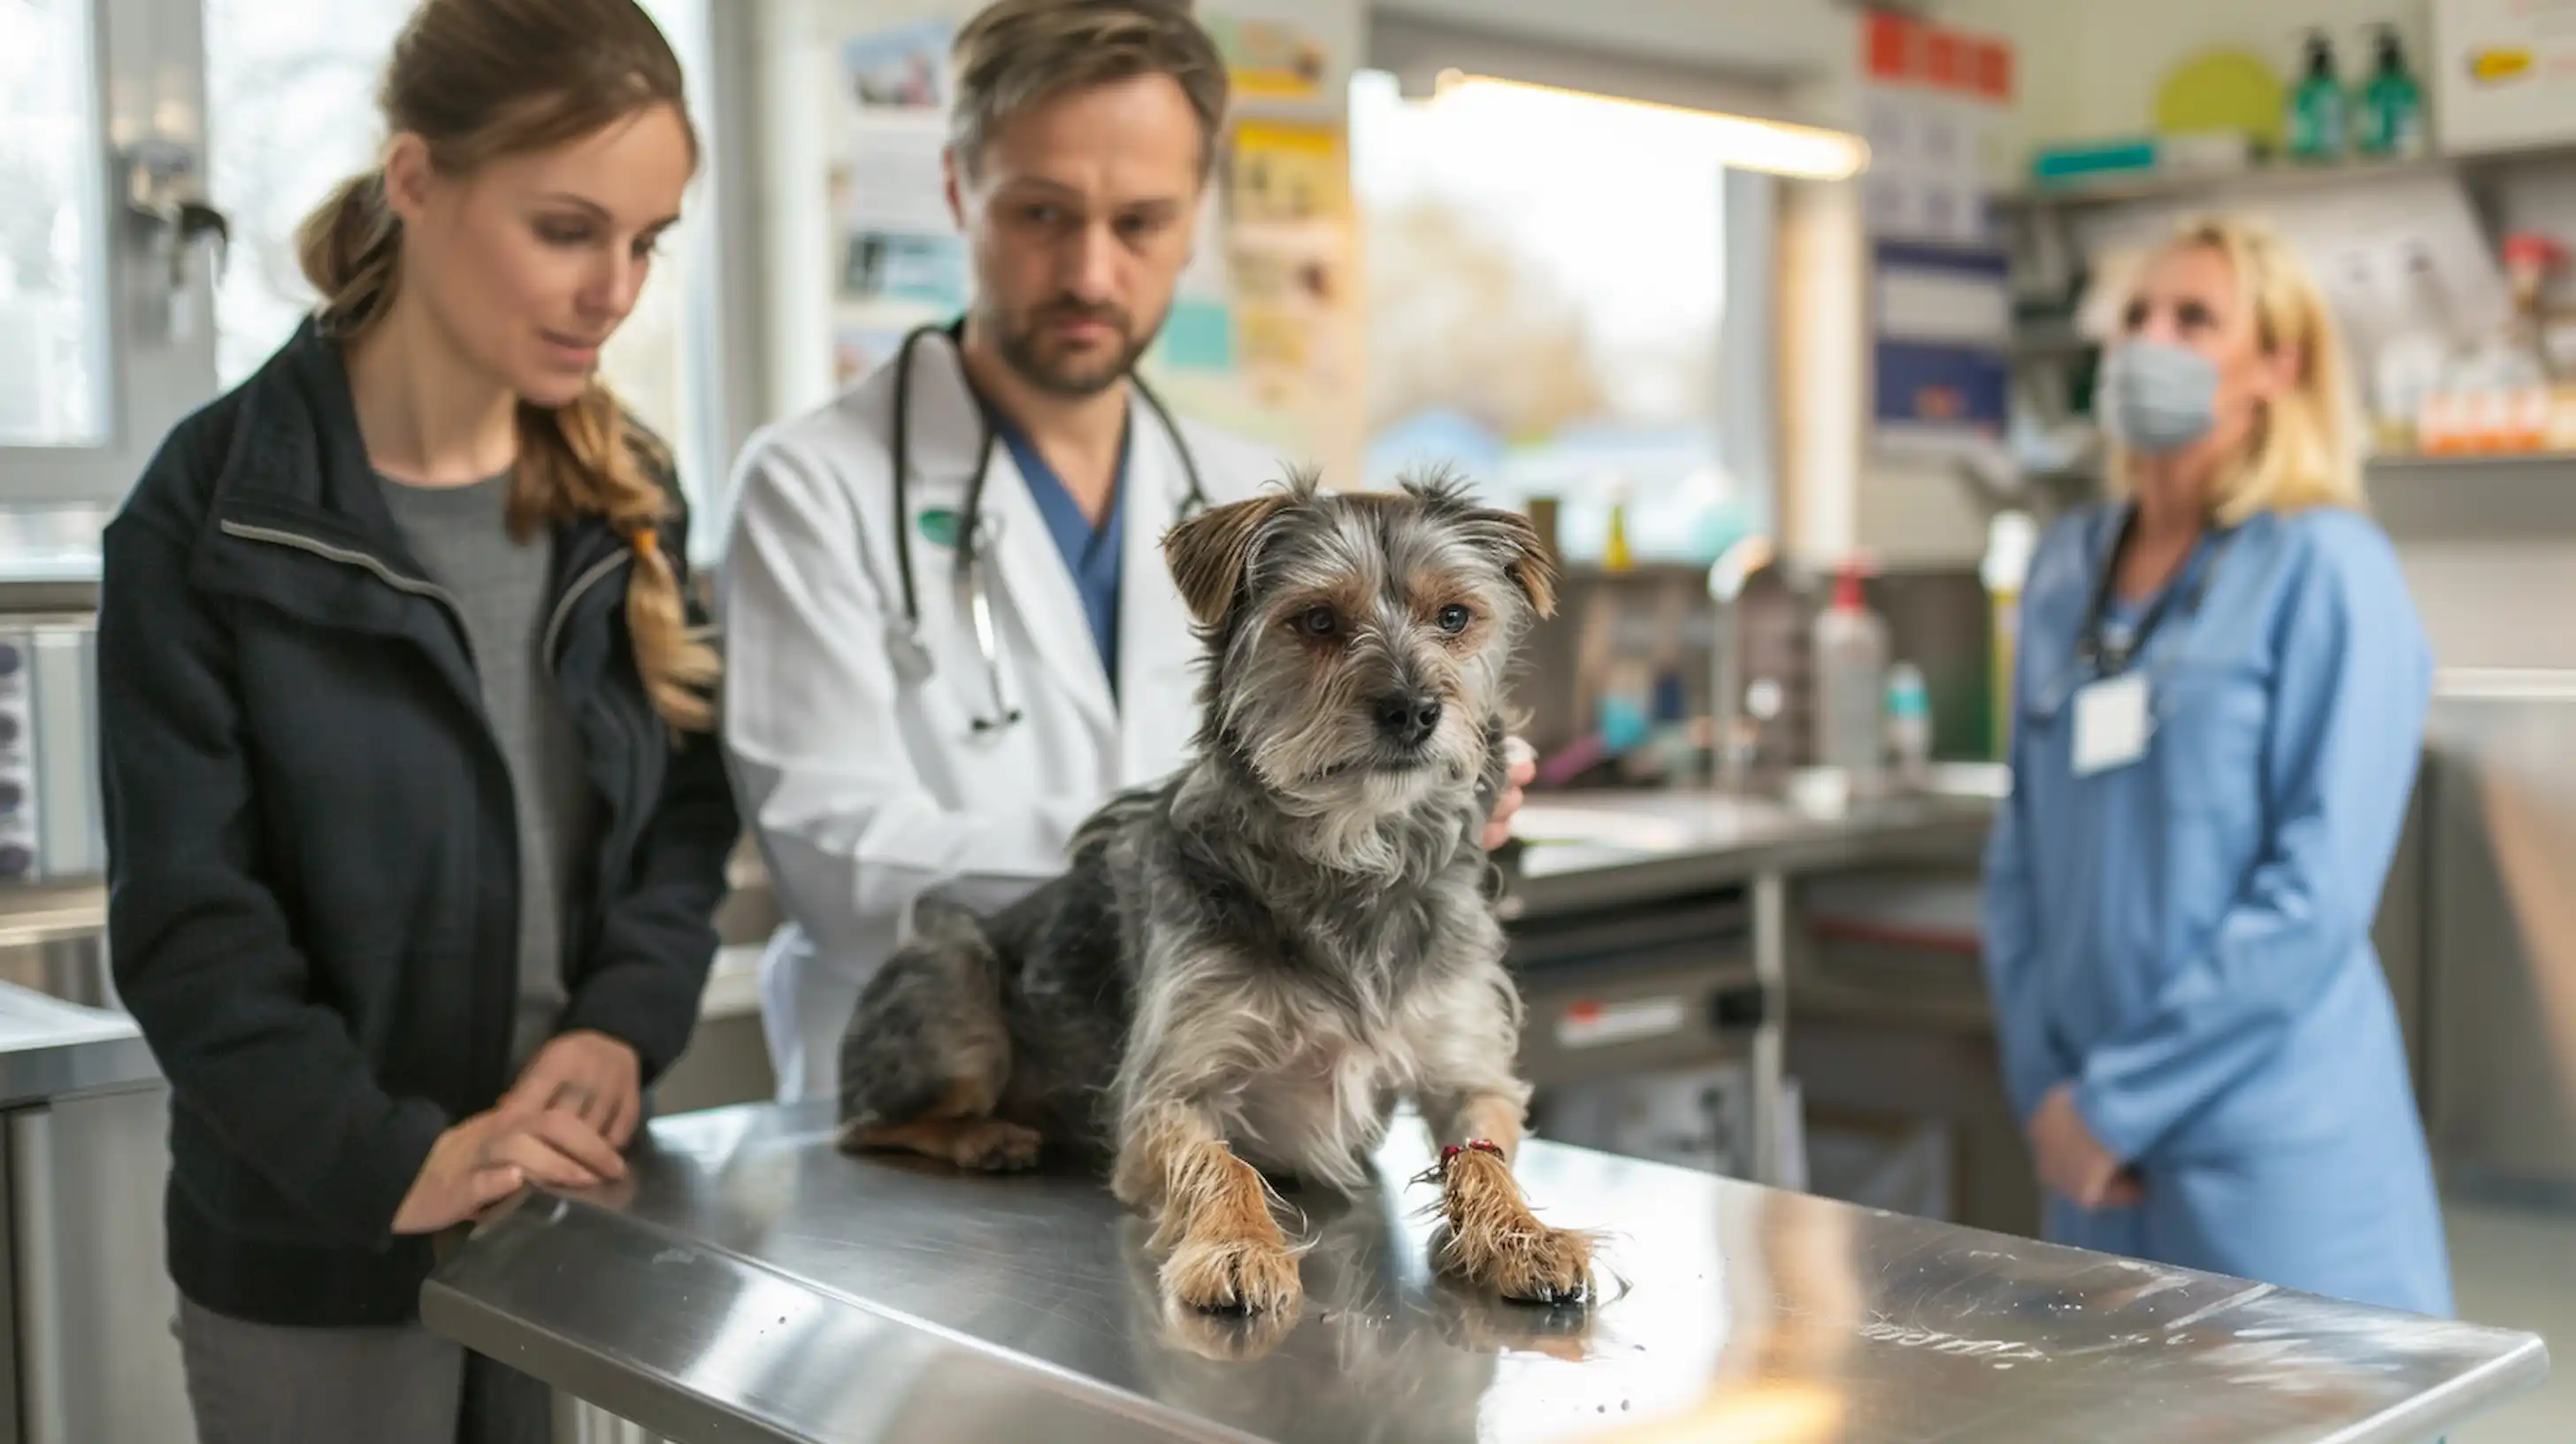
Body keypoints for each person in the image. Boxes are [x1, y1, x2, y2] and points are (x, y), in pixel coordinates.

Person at [96, 1, 740, 1438]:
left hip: (569, 1208)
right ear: (417, 179)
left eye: (647, 241)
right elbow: (193, 930)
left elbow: (684, 827)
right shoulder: (209, 519)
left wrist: (620, 1027)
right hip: (316, 1248)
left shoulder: (629, 493)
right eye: (567, 231)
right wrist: (397, 1159)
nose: (615, 291)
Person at [721, 0, 1532, 1103]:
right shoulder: (812, 484)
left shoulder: (1248, 496)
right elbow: (839, 860)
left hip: (1234, 1116)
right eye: (1041, 213)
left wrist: (1405, 798)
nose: (1091, 273)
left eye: (1140, 221)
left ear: (1196, 217)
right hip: (939, 1108)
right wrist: (1212, 843)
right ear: (958, 191)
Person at [1981, 215, 2450, 1316]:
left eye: (2193, 319)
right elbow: (2017, 859)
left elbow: (2314, 895)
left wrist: (2115, 1104)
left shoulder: (2327, 569)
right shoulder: (2064, 569)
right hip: (2085, 1156)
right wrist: (2051, 1096)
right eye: (2136, 315)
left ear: (2276, 367)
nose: (2149, 341)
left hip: (2269, 1153)